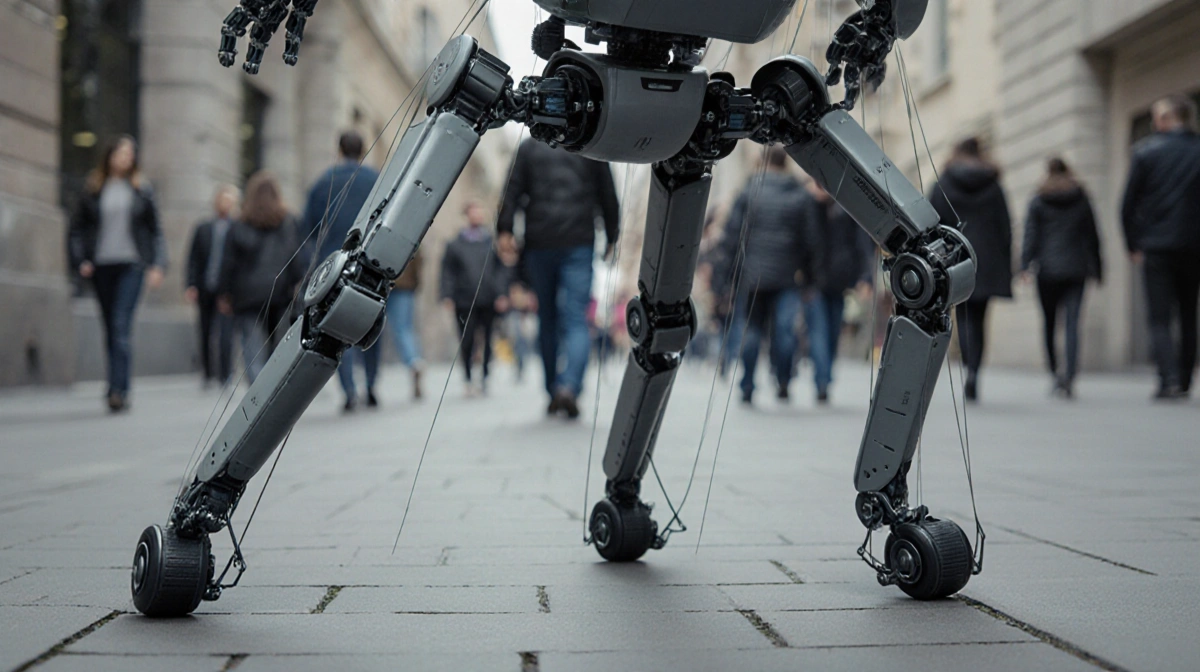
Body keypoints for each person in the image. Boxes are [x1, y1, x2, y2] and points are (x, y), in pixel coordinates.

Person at [497, 139, 620, 419]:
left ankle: (553, 389)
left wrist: (504, 228)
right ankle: (570, 386)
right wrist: (612, 234)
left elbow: (512, 189)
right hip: (579, 241)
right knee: (576, 317)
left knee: (547, 317)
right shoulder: (592, 142)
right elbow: (607, 191)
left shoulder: (530, 147)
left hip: (540, 241)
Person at [714, 147, 821, 405]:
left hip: (752, 278)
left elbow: (731, 239)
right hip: (787, 278)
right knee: (784, 332)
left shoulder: (748, 192)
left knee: (750, 331)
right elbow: (811, 241)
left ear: (762, 161)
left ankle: (748, 384)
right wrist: (809, 279)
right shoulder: (799, 194)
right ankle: (783, 380)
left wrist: (724, 281)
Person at [67, 135, 166, 412]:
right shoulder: (94, 189)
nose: (126, 157)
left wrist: (158, 264)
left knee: (121, 325)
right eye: (121, 152)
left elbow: (156, 231)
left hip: (132, 265)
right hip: (101, 266)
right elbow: (76, 229)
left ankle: (119, 390)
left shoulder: (142, 190)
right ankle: (114, 385)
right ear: (109, 156)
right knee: (110, 327)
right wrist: (81, 260)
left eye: (130, 153)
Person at [1121, 95, 1200, 400]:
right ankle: (1184, 380)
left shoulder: (1145, 153)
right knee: (1188, 312)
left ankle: (1166, 378)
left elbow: (1127, 205)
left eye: (1157, 116)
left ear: (1167, 118)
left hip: (1155, 246)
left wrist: (1133, 243)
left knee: (1159, 316)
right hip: (1193, 246)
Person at [929, 137, 1013, 402]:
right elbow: (1005, 226)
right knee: (980, 318)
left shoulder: (944, 183)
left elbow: (931, 223)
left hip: (957, 257)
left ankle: (968, 367)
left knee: (963, 317)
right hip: (987, 259)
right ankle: (975, 371)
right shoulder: (993, 184)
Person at [303, 131, 382, 411]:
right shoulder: (377, 180)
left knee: (336, 328)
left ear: (339, 150)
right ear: (362, 151)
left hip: (333, 265)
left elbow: (308, 230)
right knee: (370, 323)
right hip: (369, 264)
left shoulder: (325, 182)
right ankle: (372, 385)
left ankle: (349, 390)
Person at [1022, 158, 1103, 399]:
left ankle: (1055, 372)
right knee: (1072, 323)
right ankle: (1069, 376)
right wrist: (1098, 268)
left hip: (1047, 270)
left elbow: (1031, 234)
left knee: (1049, 322)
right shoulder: (1080, 196)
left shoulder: (1038, 198)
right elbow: (1092, 235)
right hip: (1076, 269)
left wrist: (1025, 265)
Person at [219, 171, 306, 384]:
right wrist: (297, 283)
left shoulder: (239, 224)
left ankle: (257, 397)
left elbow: (228, 263)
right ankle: (273, 393)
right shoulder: (288, 222)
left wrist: (224, 293)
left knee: (252, 348)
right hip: (280, 294)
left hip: (247, 297)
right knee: (277, 347)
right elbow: (296, 257)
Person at [803, 179, 875, 404]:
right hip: (813, 283)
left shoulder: (846, 208)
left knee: (833, 331)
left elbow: (863, 243)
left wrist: (866, 278)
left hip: (840, 281)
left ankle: (825, 374)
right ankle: (822, 380)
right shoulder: (807, 207)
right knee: (818, 331)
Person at [441, 202, 508, 396]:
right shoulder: (455, 244)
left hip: (488, 299)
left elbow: (500, 270)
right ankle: (469, 378)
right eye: (473, 213)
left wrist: (502, 293)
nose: (477, 216)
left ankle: (485, 375)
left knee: (488, 338)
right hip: (464, 299)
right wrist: (447, 295)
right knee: (467, 339)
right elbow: (447, 272)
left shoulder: (490, 243)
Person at [185, 185, 239, 388]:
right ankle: (207, 373)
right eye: (223, 199)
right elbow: (193, 259)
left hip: (227, 291)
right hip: (205, 286)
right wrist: (191, 284)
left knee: (226, 334)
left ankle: (225, 374)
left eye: (230, 200)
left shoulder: (237, 228)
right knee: (205, 331)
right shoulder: (203, 228)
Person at [386, 250, 425, 401]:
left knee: (397, 329)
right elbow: (418, 256)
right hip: (406, 286)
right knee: (405, 328)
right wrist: (415, 282)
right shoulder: (408, 226)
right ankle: (414, 360)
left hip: (383, 284)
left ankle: (413, 361)